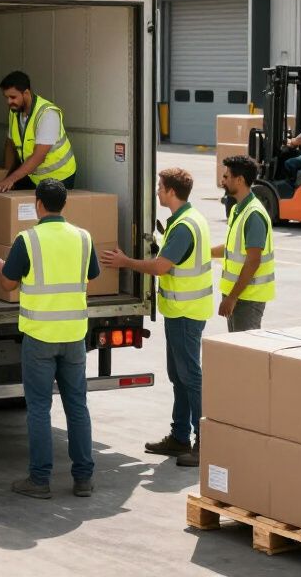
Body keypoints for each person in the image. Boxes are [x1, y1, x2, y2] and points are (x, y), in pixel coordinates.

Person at [0, 178, 98, 499]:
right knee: (77, 406)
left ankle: (40, 480)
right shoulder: (83, 237)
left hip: (40, 337)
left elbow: (9, 285)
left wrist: (1, 268)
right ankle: (83, 479)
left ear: (38, 204)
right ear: (64, 204)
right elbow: (92, 275)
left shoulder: (28, 240)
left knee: (39, 408)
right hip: (74, 336)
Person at [101, 167, 211, 468]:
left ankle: (205, 443)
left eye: (160, 187)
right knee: (179, 376)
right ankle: (179, 437)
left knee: (190, 377)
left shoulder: (184, 226)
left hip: (187, 313)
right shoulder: (186, 219)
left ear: (172, 192)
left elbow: (161, 267)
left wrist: (125, 262)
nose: (158, 192)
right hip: (181, 311)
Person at [214, 155, 275, 332]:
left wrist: (232, 297)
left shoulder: (253, 214)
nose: (222, 181)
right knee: (237, 351)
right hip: (239, 295)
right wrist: (203, 252)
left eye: (226, 177)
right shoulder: (237, 209)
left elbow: (253, 260)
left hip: (247, 298)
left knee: (246, 353)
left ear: (239, 180)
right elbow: (232, 249)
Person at [0, 71, 77, 193]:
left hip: (59, 176)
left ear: (26, 93)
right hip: (34, 176)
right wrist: (6, 175)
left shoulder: (47, 114)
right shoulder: (14, 112)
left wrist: (10, 179)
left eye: (13, 97)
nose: (8, 102)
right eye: (6, 97)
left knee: (46, 210)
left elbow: (39, 156)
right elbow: (10, 144)